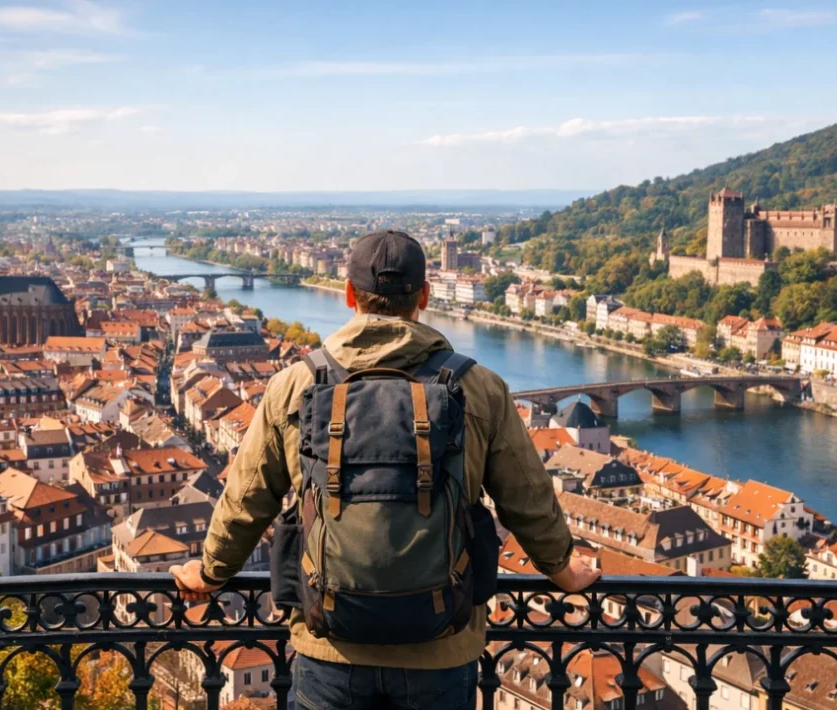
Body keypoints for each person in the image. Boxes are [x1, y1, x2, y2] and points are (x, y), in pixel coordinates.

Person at [172, 230, 599, 709]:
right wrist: (561, 568)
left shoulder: (295, 384)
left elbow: (247, 498)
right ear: (424, 296)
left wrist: (211, 572)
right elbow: (527, 497)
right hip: (442, 642)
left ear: (350, 295)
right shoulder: (479, 387)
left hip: (328, 642)